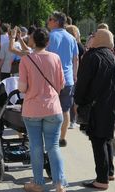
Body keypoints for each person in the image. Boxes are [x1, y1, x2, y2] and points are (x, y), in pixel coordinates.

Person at [17, 28, 67, 192]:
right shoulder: (56, 58)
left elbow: (22, 88)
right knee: (53, 146)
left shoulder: (26, 60)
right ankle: (59, 184)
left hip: (32, 109)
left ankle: (38, 184)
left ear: (32, 41)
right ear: (47, 42)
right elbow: (61, 84)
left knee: (36, 147)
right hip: (53, 108)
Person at [74, 29, 115, 190]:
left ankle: (102, 179)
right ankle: (109, 171)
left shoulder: (92, 57)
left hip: (96, 106)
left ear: (99, 39)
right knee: (107, 138)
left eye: (94, 35)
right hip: (112, 105)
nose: (91, 37)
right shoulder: (114, 58)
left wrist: (77, 102)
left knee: (98, 140)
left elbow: (82, 84)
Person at [47, 11, 79, 147]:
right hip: (68, 79)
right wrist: (75, 75)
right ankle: (62, 137)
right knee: (65, 110)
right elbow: (75, 59)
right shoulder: (71, 38)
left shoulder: (50, 37)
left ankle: (51, 137)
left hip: (51, 80)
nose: (48, 22)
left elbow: (44, 57)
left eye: (50, 19)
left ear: (56, 21)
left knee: (50, 110)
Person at [65, 25, 85, 129]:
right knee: (73, 99)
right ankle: (73, 120)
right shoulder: (79, 45)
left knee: (70, 99)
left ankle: (71, 120)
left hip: (73, 73)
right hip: (77, 73)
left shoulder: (69, 44)